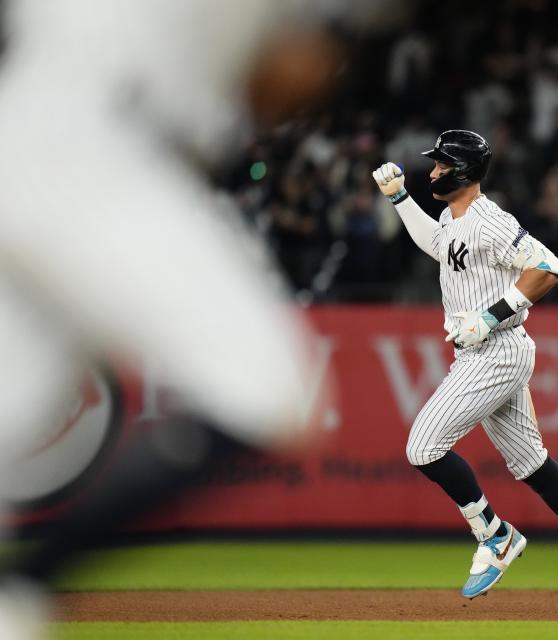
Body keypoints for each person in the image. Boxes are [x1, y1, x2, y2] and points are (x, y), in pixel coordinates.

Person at [0, 0, 371, 635]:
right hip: (99, 153)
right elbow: (294, 72)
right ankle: (25, 586)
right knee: (269, 386)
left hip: (25, 135)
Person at [372, 130, 558, 613]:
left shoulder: (489, 220)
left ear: (464, 171)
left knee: (423, 445)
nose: (432, 171)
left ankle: (493, 534)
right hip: (485, 351)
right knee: (531, 464)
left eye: (440, 164)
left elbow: (549, 268)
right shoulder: (455, 219)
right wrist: (401, 199)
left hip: (498, 350)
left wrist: (491, 315)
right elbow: (437, 243)